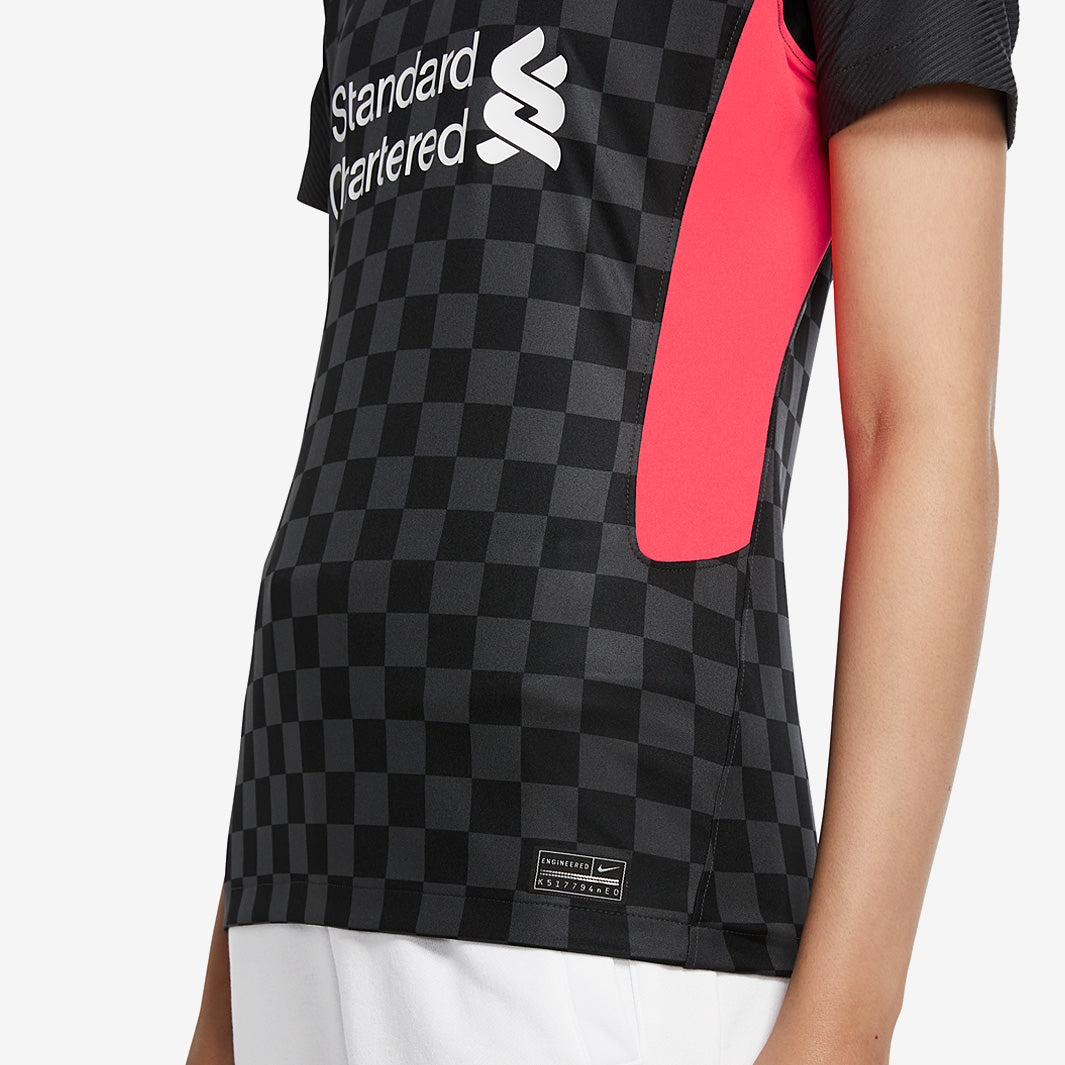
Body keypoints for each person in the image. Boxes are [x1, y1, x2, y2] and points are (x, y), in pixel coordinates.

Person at [187, 1, 1020, 1062]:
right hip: (295, 832)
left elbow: (921, 427)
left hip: (611, 860)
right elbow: (377, 376)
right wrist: (225, 986)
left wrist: (845, 1026)